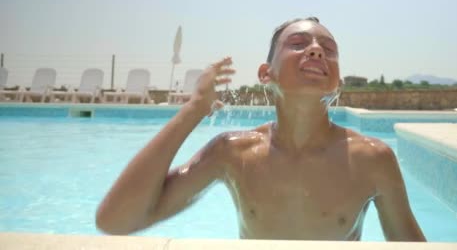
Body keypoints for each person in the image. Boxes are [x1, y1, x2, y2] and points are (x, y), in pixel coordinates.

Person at [96, 17, 426, 241]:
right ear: (266, 74)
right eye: (298, 44)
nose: (315, 50)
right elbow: (114, 221)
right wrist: (193, 110)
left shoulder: (372, 160)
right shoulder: (233, 154)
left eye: (328, 50)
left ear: (337, 80)